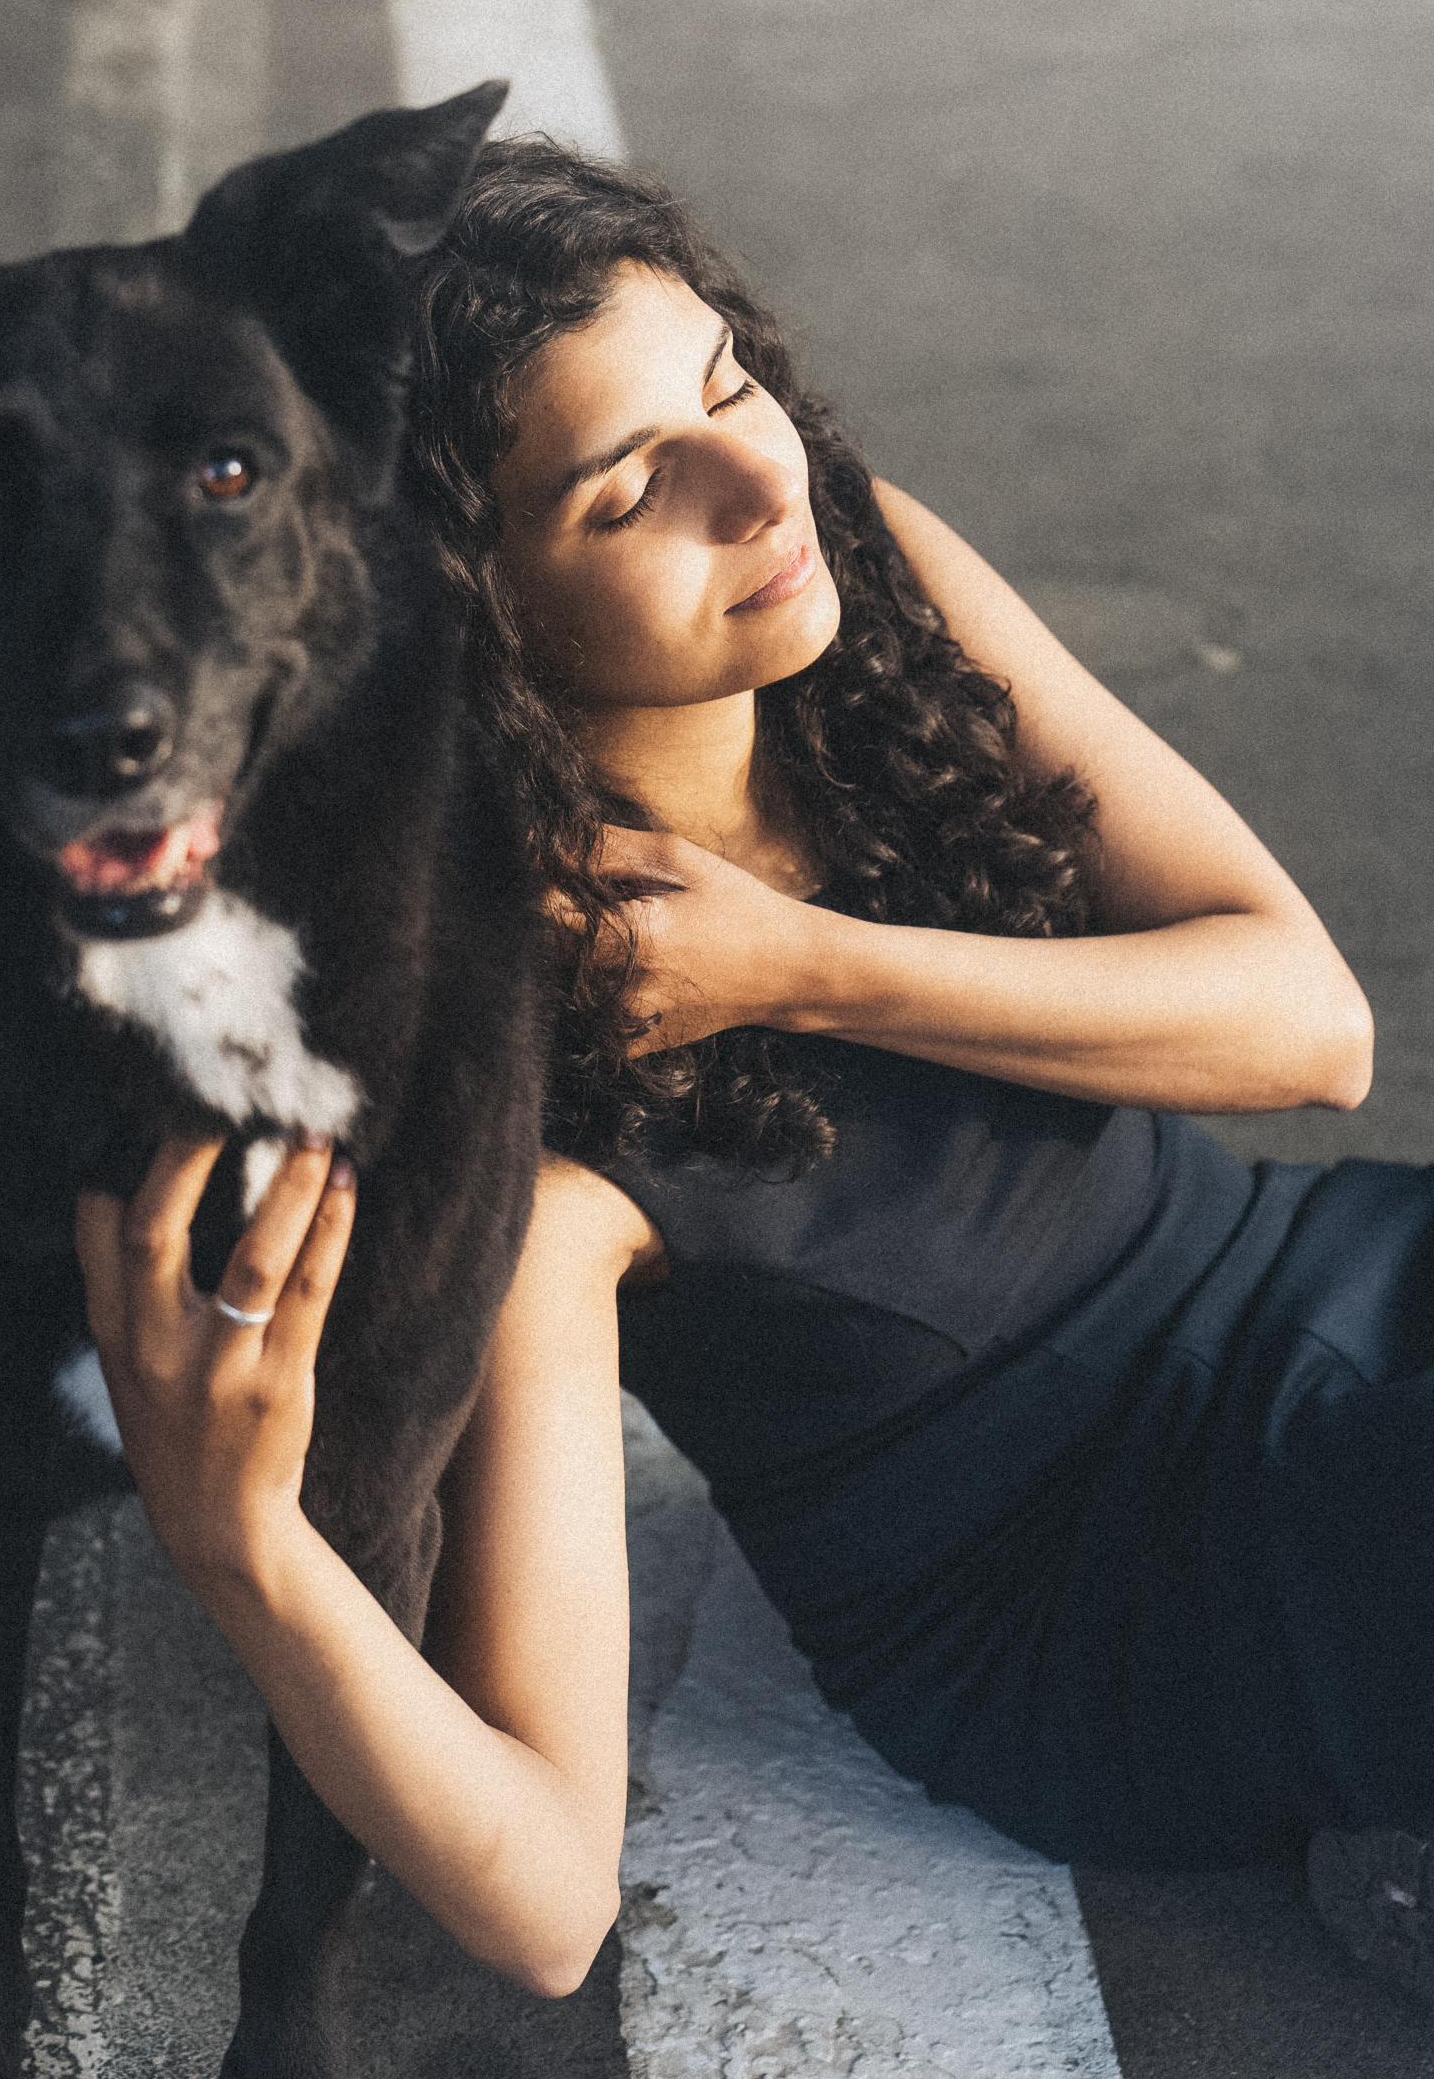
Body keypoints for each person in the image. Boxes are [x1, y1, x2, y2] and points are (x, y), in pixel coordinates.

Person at [76, 138, 1433, 2011]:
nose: (759, 476)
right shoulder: (536, 1141)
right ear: (467, 622)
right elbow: (547, 1902)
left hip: (1324, 1283)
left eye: (731, 380)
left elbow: (1311, 1028)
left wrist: (809, 966)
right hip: (1113, 1591)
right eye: (636, 488)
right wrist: (238, 1544)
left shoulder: (837, 564)